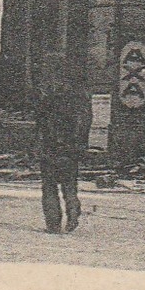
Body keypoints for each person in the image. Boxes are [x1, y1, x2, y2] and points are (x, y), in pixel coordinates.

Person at [36, 55, 88, 234]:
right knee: (69, 184)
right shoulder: (78, 97)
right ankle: (73, 210)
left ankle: (53, 223)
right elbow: (83, 122)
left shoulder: (47, 97)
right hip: (70, 147)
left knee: (49, 185)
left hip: (50, 146)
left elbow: (40, 121)